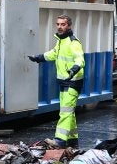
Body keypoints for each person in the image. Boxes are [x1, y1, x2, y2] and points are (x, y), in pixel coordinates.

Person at [28, 14, 85, 148]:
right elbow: (54, 54)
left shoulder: (73, 42)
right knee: (68, 111)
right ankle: (72, 138)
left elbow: (80, 59)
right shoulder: (61, 41)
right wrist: (38, 58)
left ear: (69, 26)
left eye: (63, 24)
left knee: (65, 111)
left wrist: (73, 70)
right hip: (64, 81)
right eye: (58, 24)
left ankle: (59, 140)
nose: (59, 27)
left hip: (72, 82)